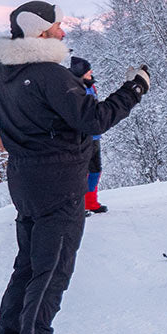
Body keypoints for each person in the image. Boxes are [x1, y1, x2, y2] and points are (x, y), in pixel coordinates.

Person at [0, 1, 148, 334]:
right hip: (58, 181)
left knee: (27, 266)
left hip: (25, 178)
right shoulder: (48, 74)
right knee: (52, 270)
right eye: (57, 26)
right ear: (40, 32)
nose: (63, 31)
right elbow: (94, 119)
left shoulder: (8, 72)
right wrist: (135, 88)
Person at [68, 56, 107, 215]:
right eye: (88, 70)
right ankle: (78, 205)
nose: (91, 72)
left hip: (94, 136)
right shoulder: (75, 88)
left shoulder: (90, 86)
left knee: (95, 170)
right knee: (80, 172)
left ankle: (91, 202)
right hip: (81, 138)